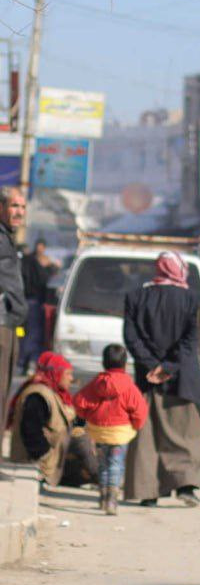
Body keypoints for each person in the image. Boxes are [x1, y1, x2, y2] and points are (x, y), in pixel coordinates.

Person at [122, 251, 200, 508]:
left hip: (147, 378)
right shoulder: (193, 299)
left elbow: (131, 337)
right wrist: (169, 366)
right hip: (183, 378)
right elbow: (192, 339)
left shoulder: (136, 296)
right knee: (187, 434)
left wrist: (152, 365)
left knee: (147, 436)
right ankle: (185, 486)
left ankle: (148, 493)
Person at [73, 344, 148, 516]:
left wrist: (88, 416)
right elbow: (140, 410)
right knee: (116, 464)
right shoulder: (129, 386)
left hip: (98, 432)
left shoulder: (96, 384)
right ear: (125, 364)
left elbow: (79, 402)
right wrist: (136, 425)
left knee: (103, 465)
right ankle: (112, 500)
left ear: (103, 363)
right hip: (120, 433)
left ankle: (103, 497)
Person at [8, 352, 96, 488]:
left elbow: (72, 420)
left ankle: (100, 475)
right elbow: (32, 433)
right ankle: (102, 477)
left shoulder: (55, 392)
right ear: (56, 373)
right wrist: (45, 456)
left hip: (54, 460)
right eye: (68, 374)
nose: (71, 379)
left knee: (86, 439)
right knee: (82, 442)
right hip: (40, 462)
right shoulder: (38, 395)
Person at [0, 187, 28, 410]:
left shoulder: (7, 237)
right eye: (14, 206)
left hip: (9, 322)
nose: (19, 212)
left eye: (23, 207)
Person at [19, 239, 58, 372]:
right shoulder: (34, 263)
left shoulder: (26, 261)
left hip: (25, 301)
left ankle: (24, 361)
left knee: (24, 332)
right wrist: (50, 267)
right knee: (32, 333)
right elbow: (44, 279)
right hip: (33, 302)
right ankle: (29, 360)